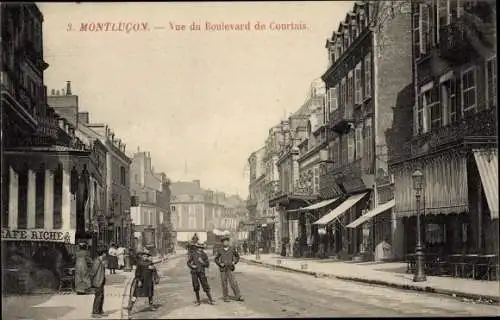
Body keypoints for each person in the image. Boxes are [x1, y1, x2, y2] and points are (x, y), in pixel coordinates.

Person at [214, 236, 244, 302]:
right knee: (224, 283)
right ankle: (226, 297)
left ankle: (238, 296)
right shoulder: (220, 250)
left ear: (228, 242)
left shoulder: (232, 249)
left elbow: (237, 256)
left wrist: (234, 262)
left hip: (230, 268)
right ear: (222, 243)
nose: (225, 242)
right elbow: (216, 259)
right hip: (223, 269)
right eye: (224, 241)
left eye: (226, 241)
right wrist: (219, 263)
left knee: (233, 282)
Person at [187, 241, 215, 306]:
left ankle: (210, 300)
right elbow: (188, 262)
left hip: (201, 272)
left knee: (205, 285)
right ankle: (198, 301)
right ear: (197, 247)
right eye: (199, 247)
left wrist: (202, 262)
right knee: (196, 286)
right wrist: (192, 266)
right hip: (194, 272)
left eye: (201, 248)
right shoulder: (193, 254)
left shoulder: (204, 255)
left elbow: (207, 265)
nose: (200, 249)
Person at [91, 247, 107, 317]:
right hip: (98, 282)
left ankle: (100, 311)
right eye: (105, 253)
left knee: (101, 297)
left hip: (101, 281)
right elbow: (93, 272)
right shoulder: (97, 261)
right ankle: (95, 313)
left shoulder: (100, 261)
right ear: (102, 254)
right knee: (98, 297)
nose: (106, 255)